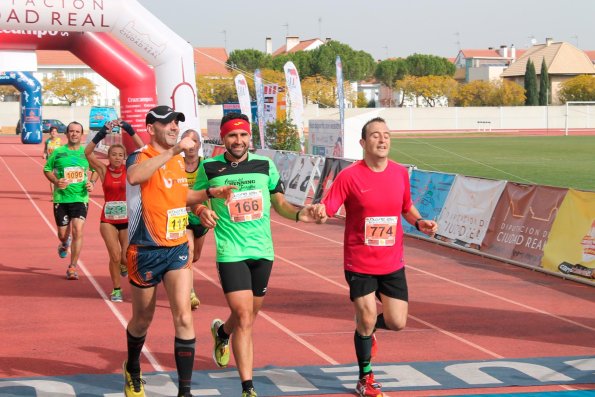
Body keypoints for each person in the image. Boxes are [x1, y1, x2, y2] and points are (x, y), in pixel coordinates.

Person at [194, 112, 325, 397]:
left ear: (248, 137)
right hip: (231, 250)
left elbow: (280, 204)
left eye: (242, 135)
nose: (238, 140)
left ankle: (222, 334)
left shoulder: (265, 166)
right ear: (223, 138)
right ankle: (248, 387)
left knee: (248, 316)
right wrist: (203, 209)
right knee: (243, 316)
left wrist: (302, 214)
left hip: (263, 251)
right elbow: (193, 198)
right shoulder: (209, 167)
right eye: (232, 135)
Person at [318, 117, 438, 397]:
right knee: (367, 314)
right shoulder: (349, 176)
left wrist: (421, 222)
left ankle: (368, 331)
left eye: (386, 135)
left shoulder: (399, 173)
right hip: (359, 261)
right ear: (363, 143)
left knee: (397, 322)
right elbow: (330, 206)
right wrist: (321, 213)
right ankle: (365, 378)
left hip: (392, 262)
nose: (382, 140)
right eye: (375, 135)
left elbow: (407, 208)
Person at [122, 105, 235, 397]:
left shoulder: (176, 162)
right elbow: (135, 177)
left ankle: (184, 392)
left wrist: (208, 195)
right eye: (167, 124)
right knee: (142, 319)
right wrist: (173, 153)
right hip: (145, 249)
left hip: (176, 248)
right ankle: (133, 368)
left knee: (184, 316)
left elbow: (180, 195)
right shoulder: (141, 156)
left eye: (176, 123)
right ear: (150, 129)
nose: (174, 127)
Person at [84, 119, 144, 302]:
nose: (117, 157)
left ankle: (125, 267)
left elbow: (144, 150)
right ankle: (117, 289)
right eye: (114, 154)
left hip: (126, 220)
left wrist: (129, 129)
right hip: (108, 221)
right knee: (115, 256)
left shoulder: (130, 170)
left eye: (121, 155)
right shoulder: (103, 170)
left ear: (125, 157)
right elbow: (87, 152)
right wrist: (102, 132)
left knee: (126, 259)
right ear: (109, 156)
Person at [43, 121, 98, 280]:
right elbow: (46, 169)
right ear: (66, 134)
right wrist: (55, 181)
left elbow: (95, 170)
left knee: (77, 231)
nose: (74, 134)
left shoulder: (86, 153)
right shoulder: (58, 152)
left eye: (77, 131)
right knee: (62, 234)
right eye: (71, 131)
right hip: (61, 198)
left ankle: (73, 266)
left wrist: (91, 183)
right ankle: (64, 243)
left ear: (82, 135)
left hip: (80, 198)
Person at [181, 128, 207, 310]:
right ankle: (190, 292)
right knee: (188, 252)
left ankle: (182, 273)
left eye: (194, 141)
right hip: (182, 217)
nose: (191, 146)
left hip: (201, 219)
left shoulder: (206, 165)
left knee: (195, 256)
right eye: (187, 141)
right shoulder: (176, 164)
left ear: (199, 144)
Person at [42, 126, 63, 195]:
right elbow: (45, 150)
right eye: (52, 131)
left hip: (58, 162)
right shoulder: (47, 141)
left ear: (57, 133)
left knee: (59, 177)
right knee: (52, 178)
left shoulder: (60, 141)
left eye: (55, 131)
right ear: (50, 133)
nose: (53, 133)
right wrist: (44, 154)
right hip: (50, 162)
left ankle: (60, 192)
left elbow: (63, 151)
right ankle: (53, 194)